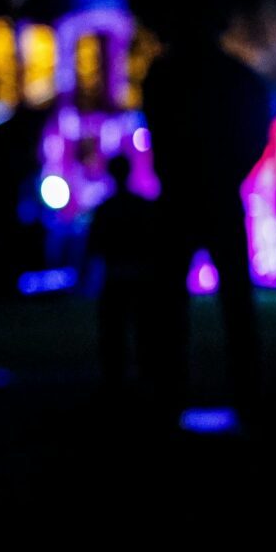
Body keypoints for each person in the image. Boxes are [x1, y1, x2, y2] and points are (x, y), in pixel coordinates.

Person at [138, 0, 276, 422]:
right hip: (207, 195)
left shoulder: (169, 74)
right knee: (220, 303)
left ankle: (179, 393)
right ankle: (230, 392)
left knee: (187, 304)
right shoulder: (233, 76)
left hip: (190, 195)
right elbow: (257, 130)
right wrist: (229, 171)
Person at [82, 152, 167, 400]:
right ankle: (144, 377)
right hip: (138, 278)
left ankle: (117, 381)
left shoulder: (106, 208)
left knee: (115, 333)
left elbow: (94, 246)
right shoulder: (141, 206)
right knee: (142, 332)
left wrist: (85, 277)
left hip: (117, 278)